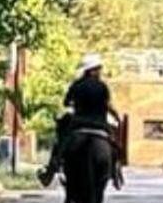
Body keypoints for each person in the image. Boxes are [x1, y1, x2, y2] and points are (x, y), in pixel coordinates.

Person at [39, 54, 122, 187]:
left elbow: (66, 102)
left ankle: (51, 169)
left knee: (61, 139)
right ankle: (116, 170)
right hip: (100, 124)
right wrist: (117, 116)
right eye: (99, 68)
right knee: (113, 143)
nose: (100, 71)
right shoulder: (102, 86)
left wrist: (76, 103)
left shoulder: (77, 85)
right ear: (93, 70)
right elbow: (107, 105)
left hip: (78, 123)